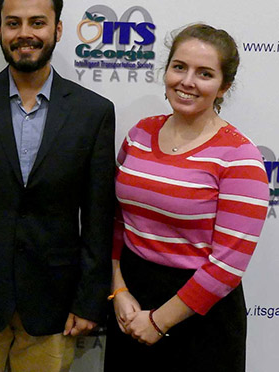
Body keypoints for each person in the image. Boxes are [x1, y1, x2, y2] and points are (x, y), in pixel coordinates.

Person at [0, 0, 115, 372]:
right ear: (1, 29)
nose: (24, 34)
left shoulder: (94, 112)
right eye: (13, 23)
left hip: (54, 303)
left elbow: (99, 217)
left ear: (58, 29)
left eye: (37, 22)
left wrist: (89, 300)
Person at [104, 24, 269, 372]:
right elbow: (118, 220)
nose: (187, 81)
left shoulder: (240, 157)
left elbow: (227, 266)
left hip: (200, 318)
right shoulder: (140, 133)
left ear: (223, 86)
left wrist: (160, 321)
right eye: (179, 67)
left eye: (204, 73)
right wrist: (119, 290)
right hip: (131, 303)